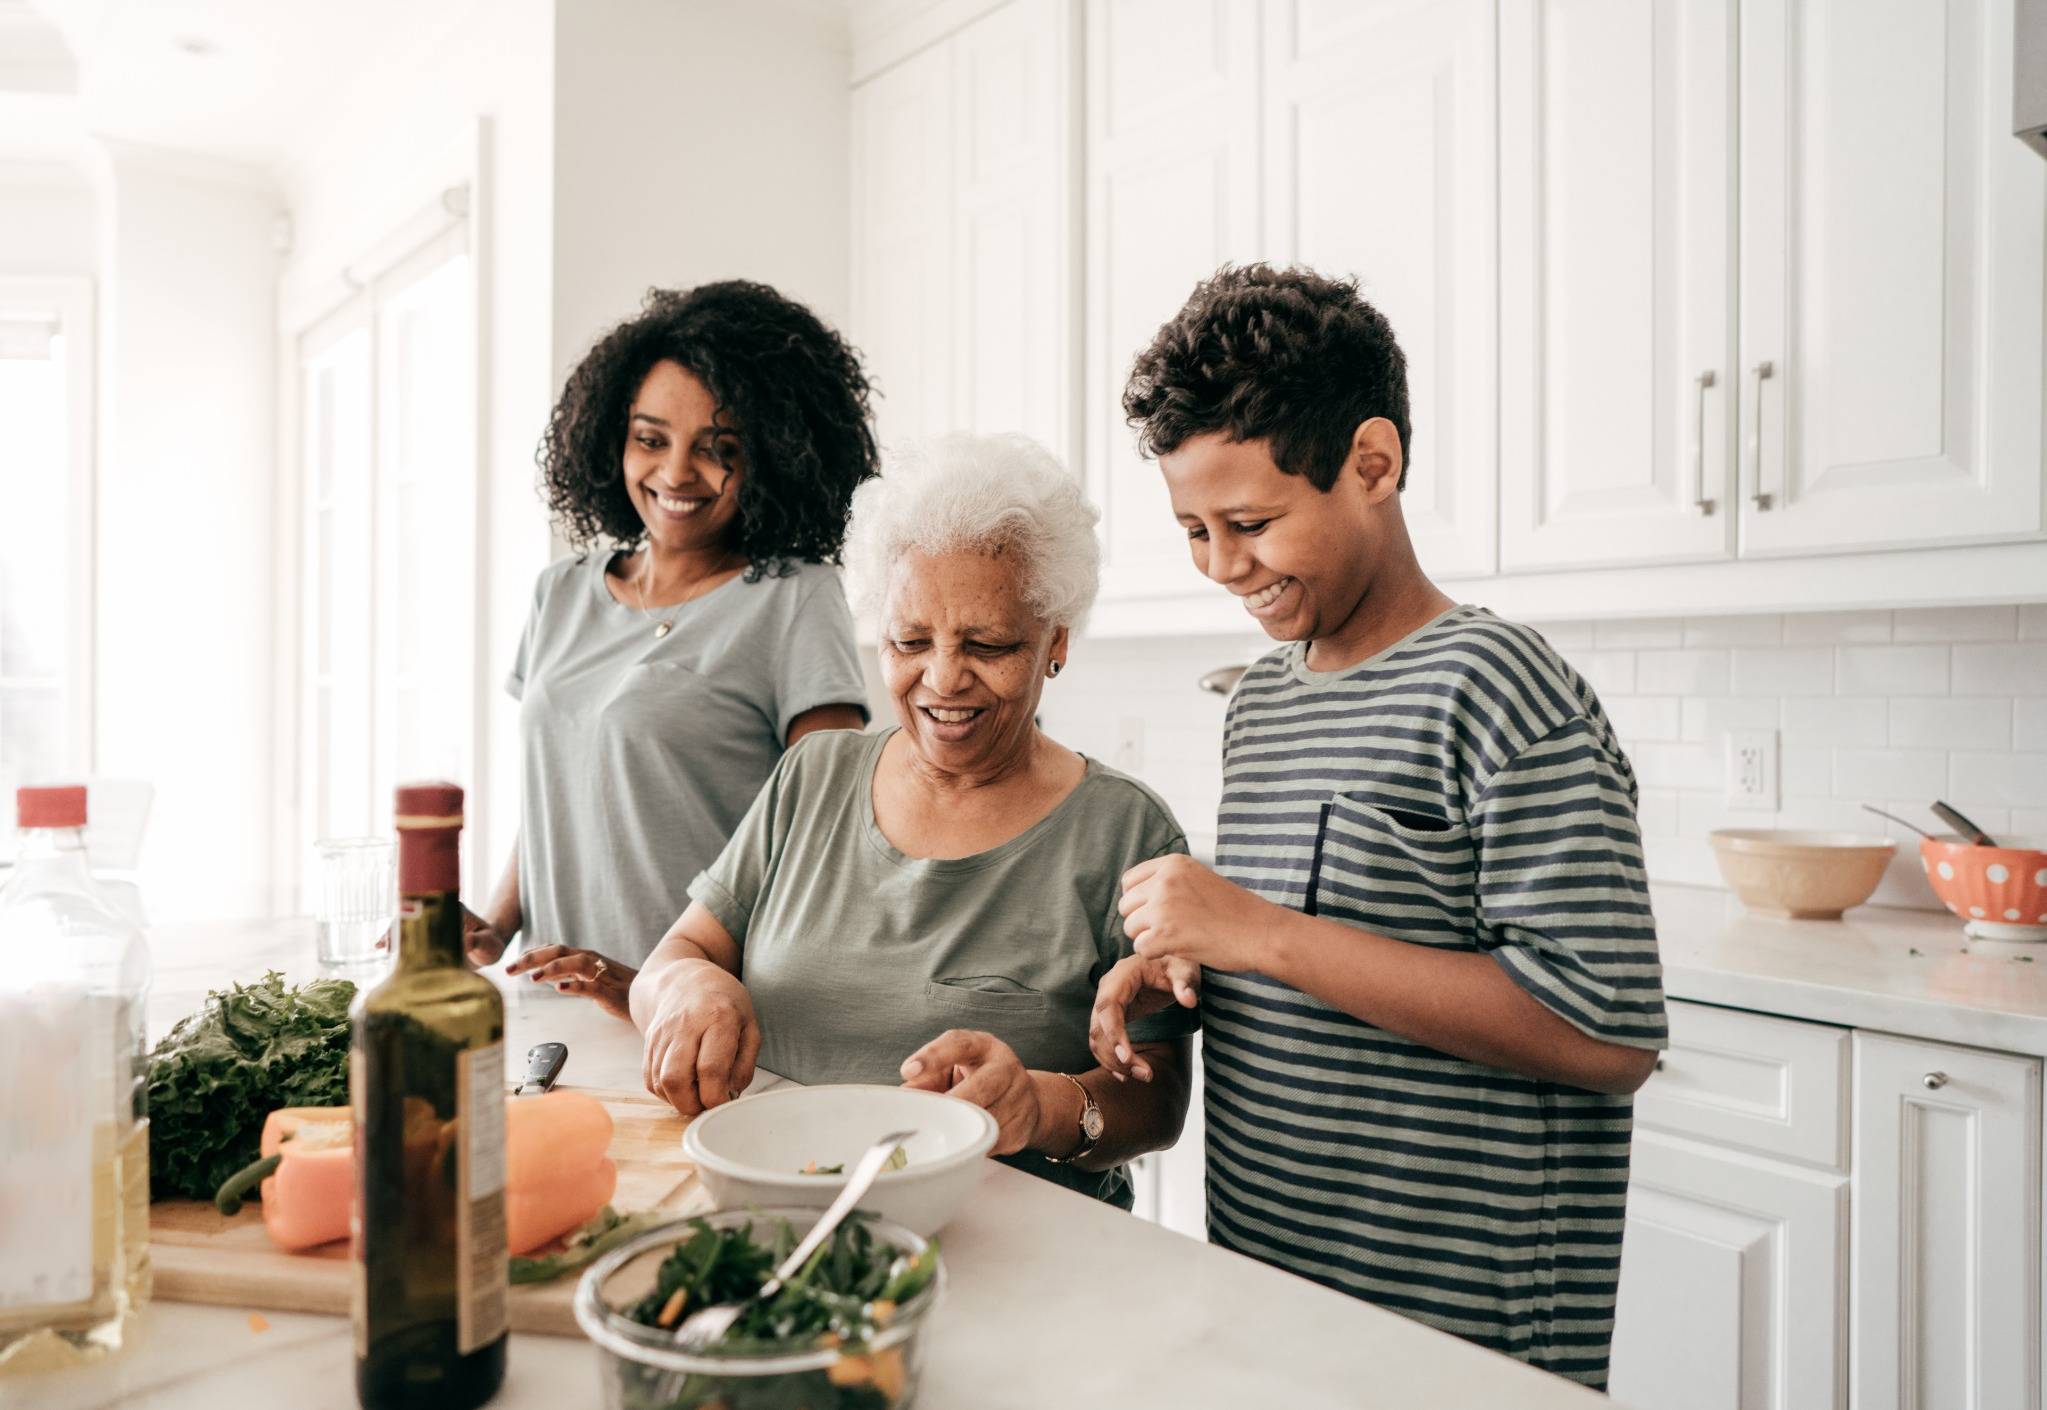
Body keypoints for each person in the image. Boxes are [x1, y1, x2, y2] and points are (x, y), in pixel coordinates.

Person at [1089, 264, 1668, 1387]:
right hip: (1274, 1285)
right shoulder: (1258, 701)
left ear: (1372, 464)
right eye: (1193, 530)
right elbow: (1319, 955)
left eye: (1251, 522)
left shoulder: (1494, 685)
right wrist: (1193, 967)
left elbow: (1604, 1036)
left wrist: (1254, 931)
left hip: (1463, 1335)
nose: (1221, 567)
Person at [630, 433, 1195, 1207]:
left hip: (1019, 1252)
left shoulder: (1124, 833)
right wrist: (688, 987)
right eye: (909, 640)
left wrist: (1041, 1104)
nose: (941, 679)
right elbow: (678, 951)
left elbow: (1158, 1103)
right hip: (785, 1220)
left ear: (1053, 643)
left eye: (987, 644)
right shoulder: (812, 775)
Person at [466, 282, 877, 1018]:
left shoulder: (794, 599)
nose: (676, 474)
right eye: (650, 438)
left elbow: (827, 838)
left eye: (718, 449)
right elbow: (560, 788)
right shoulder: (558, 592)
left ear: (776, 455)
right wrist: (494, 927)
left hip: (697, 1020)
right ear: (610, 438)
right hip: (547, 1004)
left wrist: (661, 983)